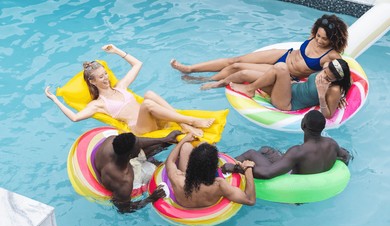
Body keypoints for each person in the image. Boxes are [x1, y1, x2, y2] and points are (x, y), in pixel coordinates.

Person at [45, 44, 214, 137]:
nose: (106, 78)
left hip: (153, 119)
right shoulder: (98, 104)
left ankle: (184, 123)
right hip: (141, 129)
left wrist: (117, 51)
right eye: (101, 77)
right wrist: (55, 99)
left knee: (149, 94)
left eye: (106, 74)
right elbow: (75, 118)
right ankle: (191, 121)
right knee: (147, 103)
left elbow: (138, 64)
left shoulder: (121, 87)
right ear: (92, 81)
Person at [171, 14, 348, 87]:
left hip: (286, 72)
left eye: (324, 39)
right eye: (318, 35)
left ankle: (206, 79)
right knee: (236, 59)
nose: (319, 40)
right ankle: (190, 68)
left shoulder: (331, 55)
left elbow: (338, 73)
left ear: (333, 39)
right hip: (283, 55)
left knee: (239, 67)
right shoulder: (314, 35)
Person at [221, 110, 351, 179]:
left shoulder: (298, 151)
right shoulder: (332, 144)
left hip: (292, 183)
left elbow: (267, 173)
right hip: (310, 179)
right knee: (267, 150)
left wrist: (237, 169)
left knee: (252, 153)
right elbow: (346, 156)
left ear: (303, 125)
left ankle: (223, 170)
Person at [94, 129, 182, 213]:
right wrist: (151, 198)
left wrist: (164, 139)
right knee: (160, 167)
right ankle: (153, 162)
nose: (140, 145)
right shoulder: (124, 181)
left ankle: (165, 143)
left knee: (162, 145)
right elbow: (123, 208)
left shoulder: (111, 141)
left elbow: (138, 141)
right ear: (131, 155)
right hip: (128, 174)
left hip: (123, 162)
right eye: (138, 147)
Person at [228, 58, 351, 119]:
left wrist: (321, 96)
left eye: (328, 78)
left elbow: (328, 115)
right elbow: (350, 80)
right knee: (245, 74)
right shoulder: (328, 67)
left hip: (287, 103)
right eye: (324, 72)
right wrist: (343, 96)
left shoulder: (334, 90)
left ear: (336, 79)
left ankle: (250, 89)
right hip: (288, 89)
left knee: (281, 67)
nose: (324, 75)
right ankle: (215, 83)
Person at [165, 133, 256, 208]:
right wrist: (248, 168)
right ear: (215, 166)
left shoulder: (177, 178)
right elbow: (250, 200)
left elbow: (170, 161)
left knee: (186, 146)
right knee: (204, 145)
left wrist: (183, 140)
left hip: (186, 195)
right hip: (208, 196)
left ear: (191, 162)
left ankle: (189, 148)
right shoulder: (219, 185)